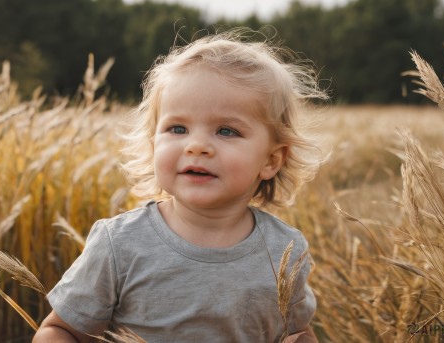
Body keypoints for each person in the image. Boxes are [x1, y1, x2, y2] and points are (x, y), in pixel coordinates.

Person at [33, 28, 328, 343]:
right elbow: (60, 331)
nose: (197, 146)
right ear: (153, 144)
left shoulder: (284, 250)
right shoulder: (120, 244)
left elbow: (296, 333)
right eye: (177, 128)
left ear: (271, 160)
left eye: (226, 131)